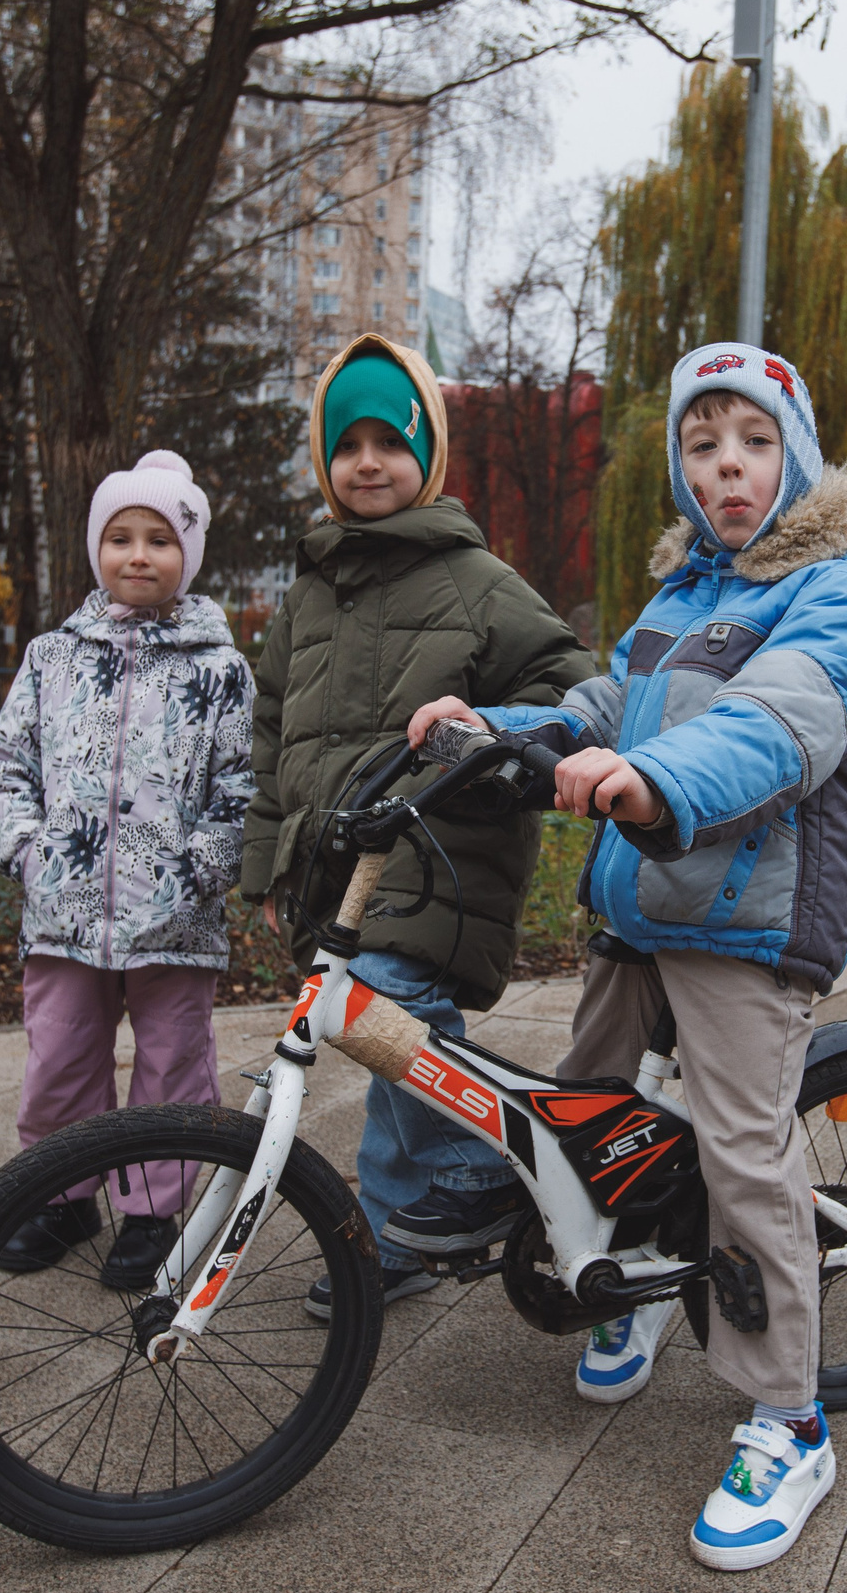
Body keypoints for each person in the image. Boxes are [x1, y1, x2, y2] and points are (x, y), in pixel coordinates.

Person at [405, 342, 847, 1572]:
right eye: (702, 444)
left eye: (754, 442)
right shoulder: (684, 596)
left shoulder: (834, 588)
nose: (728, 466)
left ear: (799, 454)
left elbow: (777, 721)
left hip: (748, 918)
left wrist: (652, 780)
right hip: (644, 903)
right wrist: (501, 728)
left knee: (742, 1150)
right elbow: (615, 705)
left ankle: (790, 1417)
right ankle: (628, 1278)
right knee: (592, 1107)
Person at [237, 333, 595, 1320]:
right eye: (345, 445)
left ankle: (470, 1174)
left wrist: (489, 743)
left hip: (440, 857)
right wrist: (268, 867)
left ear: (425, 454)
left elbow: (568, 684)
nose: (366, 463)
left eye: (387, 443)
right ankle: (402, 1231)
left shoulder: (472, 580)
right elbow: (272, 742)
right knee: (381, 1035)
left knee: (386, 1006)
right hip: (335, 871)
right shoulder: (305, 597)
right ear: (323, 462)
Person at [0, 451, 256, 1287]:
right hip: (63, 914)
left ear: (189, 554)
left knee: (172, 1065)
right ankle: (62, 1196)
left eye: (161, 539)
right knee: (60, 1057)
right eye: (121, 537)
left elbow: (241, 785)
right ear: (96, 548)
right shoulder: (51, 656)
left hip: (173, 916)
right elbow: (7, 763)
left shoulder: (220, 669)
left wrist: (204, 865)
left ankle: (151, 1211)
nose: (139, 555)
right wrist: (28, 851)